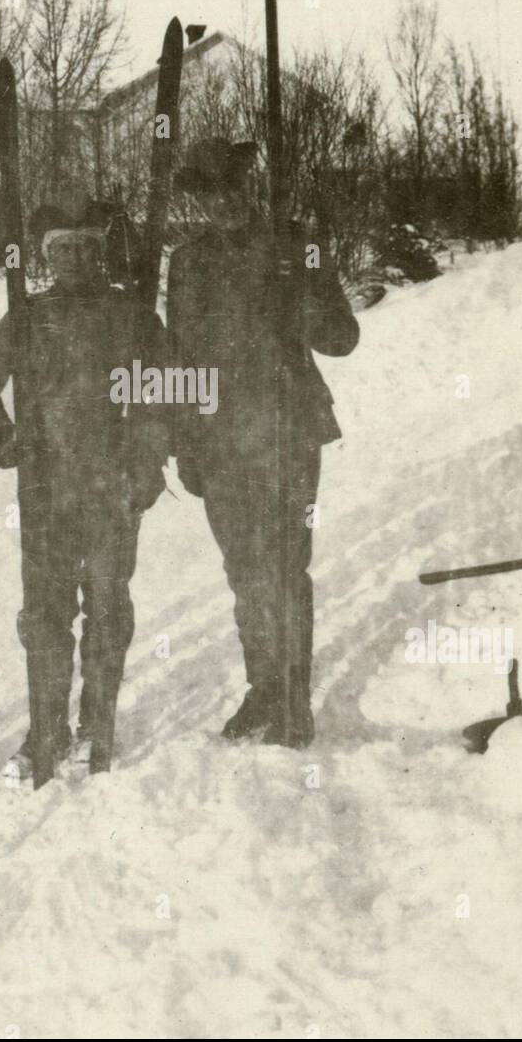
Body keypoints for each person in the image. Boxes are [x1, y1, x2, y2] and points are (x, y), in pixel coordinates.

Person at [167, 138, 359, 747]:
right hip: (220, 437)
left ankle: (295, 700)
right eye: (206, 194)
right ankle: (264, 687)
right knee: (243, 571)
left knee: (284, 567)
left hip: (287, 429)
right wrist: (186, 442)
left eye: (229, 189)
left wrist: (301, 301)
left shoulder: (293, 244)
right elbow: (179, 354)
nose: (220, 203)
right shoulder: (188, 261)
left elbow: (342, 336)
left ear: (246, 187)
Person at [0, 194, 169, 779]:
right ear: (46, 257)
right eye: (62, 249)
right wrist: (2, 437)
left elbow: (162, 391)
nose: (75, 259)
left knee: (107, 606)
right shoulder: (26, 316)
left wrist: (148, 459)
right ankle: (46, 728)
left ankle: (96, 726)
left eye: (86, 248)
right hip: (45, 492)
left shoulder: (131, 315)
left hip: (113, 488)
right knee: (45, 614)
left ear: (100, 254)